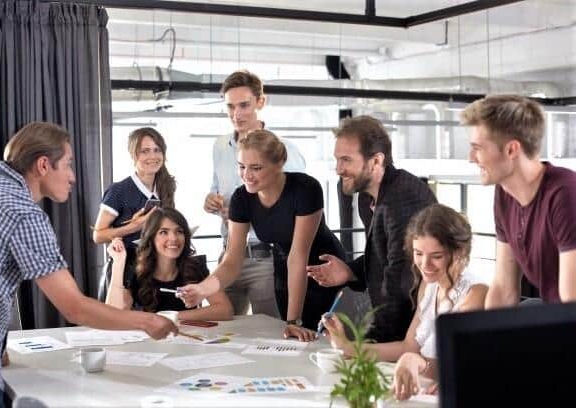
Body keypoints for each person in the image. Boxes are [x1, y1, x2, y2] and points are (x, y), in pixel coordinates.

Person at [0, 122, 176, 407]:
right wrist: (147, 321)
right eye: (68, 164)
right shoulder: (23, 213)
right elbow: (74, 307)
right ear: (43, 165)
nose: (72, 177)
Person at [182, 130, 345, 341]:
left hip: (325, 269)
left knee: (323, 336)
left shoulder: (305, 188)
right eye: (242, 166)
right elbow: (232, 260)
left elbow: (299, 255)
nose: (246, 175)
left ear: (279, 164)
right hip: (284, 269)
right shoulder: (242, 198)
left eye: (256, 168)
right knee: (292, 337)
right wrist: (202, 289)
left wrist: (294, 321)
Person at [321, 204, 488, 401]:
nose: (425, 265)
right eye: (418, 253)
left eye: (436, 256)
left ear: (459, 252)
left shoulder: (475, 293)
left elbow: (460, 367)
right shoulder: (429, 285)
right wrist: (346, 345)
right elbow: (408, 347)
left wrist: (415, 362)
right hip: (422, 392)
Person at [307, 115, 437, 342]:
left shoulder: (404, 199)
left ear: (376, 161)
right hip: (396, 324)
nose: (338, 169)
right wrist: (350, 271)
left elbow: (401, 281)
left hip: (416, 331)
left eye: (346, 160)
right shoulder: (367, 197)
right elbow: (381, 256)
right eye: (337, 160)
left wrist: (367, 342)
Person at [203, 70, 306, 318]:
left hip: (266, 259)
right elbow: (217, 187)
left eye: (244, 105)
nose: (236, 114)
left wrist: (247, 214)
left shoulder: (284, 151)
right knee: (221, 328)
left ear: (260, 102)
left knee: (269, 331)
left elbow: (296, 209)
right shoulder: (220, 146)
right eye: (230, 106)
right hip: (228, 254)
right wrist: (211, 200)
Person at [463, 95, 576, 306]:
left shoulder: (566, 194)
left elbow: (572, 304)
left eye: (477, 148)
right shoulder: (504, 195)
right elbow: (504, 289)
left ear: (511, 150)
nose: (471, 157)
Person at [105, 207, 233, 321]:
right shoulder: (134, 269)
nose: (173, 238)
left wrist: (172, 316)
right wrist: (118, 262)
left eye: (179, 231)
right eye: (163, 232)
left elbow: (225, 310)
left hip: (187, 337)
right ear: (151, 238)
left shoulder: (195, 266)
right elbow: (113, 316)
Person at [93, 127, 176, 289]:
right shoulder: (118, 191)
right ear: (133, 155)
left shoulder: (166, 186)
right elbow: (98, 236)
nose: (152, 156)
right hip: (126, 271)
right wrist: (133, 227)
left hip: (157, 268)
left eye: (157, 150)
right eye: (145, 151)